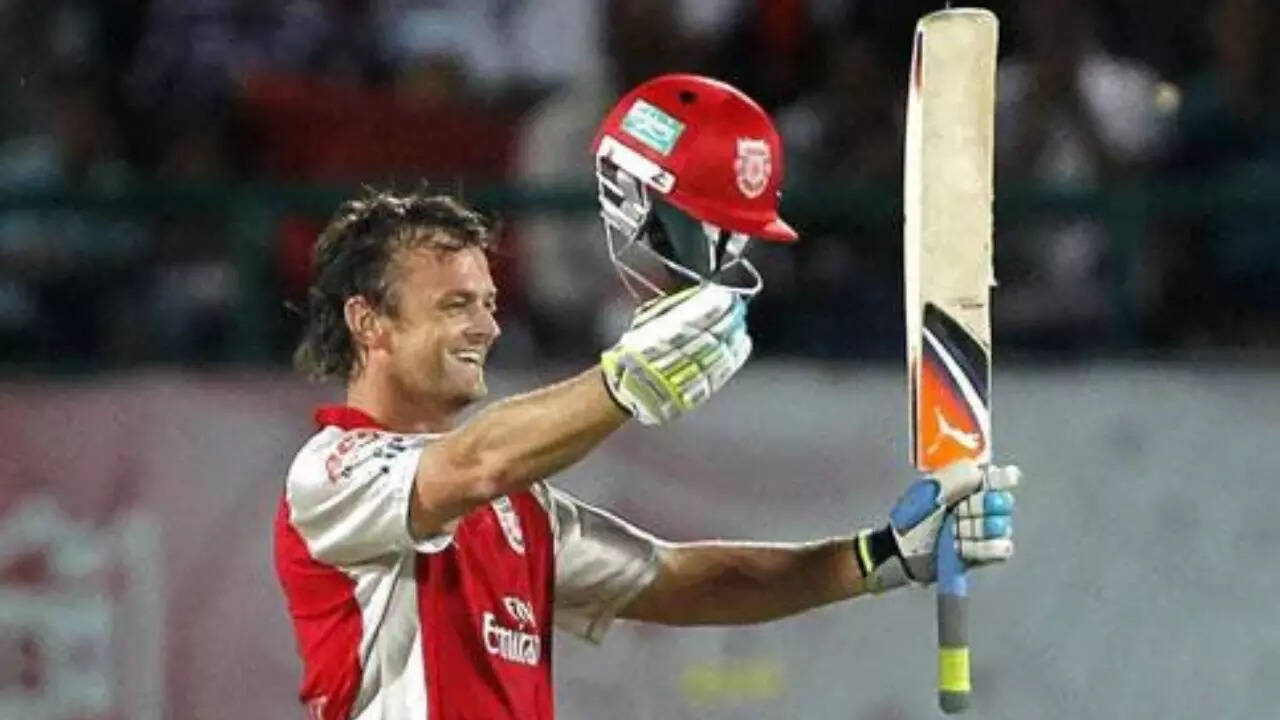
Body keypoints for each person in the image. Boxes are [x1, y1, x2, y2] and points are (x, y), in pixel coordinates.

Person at [273, 74, 1020, 720]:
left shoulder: (518, 513)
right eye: (454, 306)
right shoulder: (329, 475)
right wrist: (623, 381)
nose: (487, 327)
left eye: (489, 302)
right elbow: (476, 464)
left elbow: (690, 583)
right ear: (368, 322)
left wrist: (880, 556)